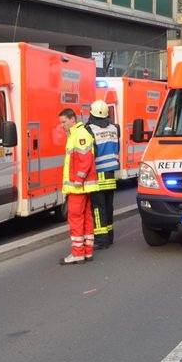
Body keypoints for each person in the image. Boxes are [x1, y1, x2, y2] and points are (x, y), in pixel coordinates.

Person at [58, 108, 98, 264]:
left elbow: (85, 160)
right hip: (83, 186)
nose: (62, 125)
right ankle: (87, 251)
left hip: (78, 186)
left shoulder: (79, 135)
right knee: (86, 217)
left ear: (72, 119)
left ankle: (77, 253)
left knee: (75, 218)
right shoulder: (78, 134)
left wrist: (78, 179)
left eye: (64, 122)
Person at [86, 100, 120, 250]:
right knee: (108, 206)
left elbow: (90, 154)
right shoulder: (114, 128)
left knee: (98, 209)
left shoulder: (90, 130)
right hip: (111, 173)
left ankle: (101, 240)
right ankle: (110, 236)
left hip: (98, 173)